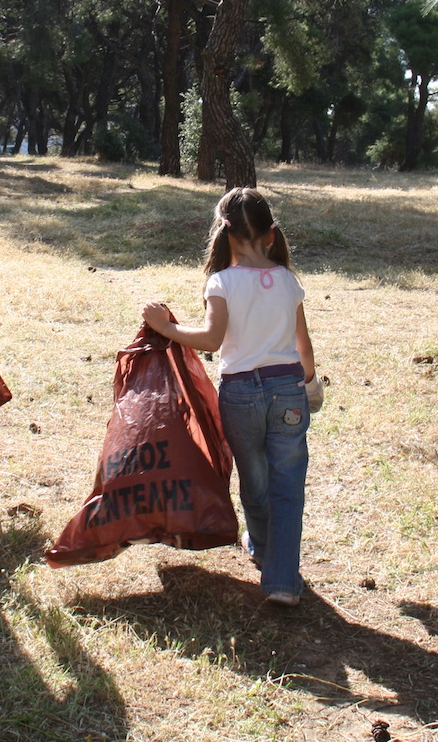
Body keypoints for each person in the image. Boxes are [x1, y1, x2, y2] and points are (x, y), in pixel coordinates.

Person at [141, 187, 323, 607]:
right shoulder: (288, 282)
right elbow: (304, 344)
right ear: (271, 236)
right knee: (288, 485)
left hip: (240, 394)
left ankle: (260, 545)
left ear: (225, 236)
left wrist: (165, 326)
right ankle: (281, 579)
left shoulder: (221, 282)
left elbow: (211, 338)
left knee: (255, 480)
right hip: (288, 391)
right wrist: (310, 384)